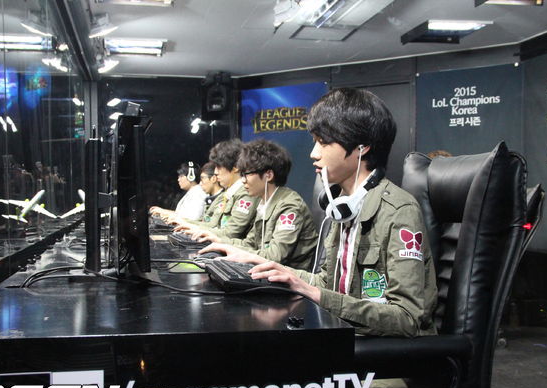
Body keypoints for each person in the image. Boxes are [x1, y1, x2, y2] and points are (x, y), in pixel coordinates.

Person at [203, 88, 437, 338]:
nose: (314, 153)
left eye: (324, 142)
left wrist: (314, 294)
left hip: (384, 352)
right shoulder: (342, 207)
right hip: (342, 337)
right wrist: (266, 266)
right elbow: (327, 284)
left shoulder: (399, 211)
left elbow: (407, 319)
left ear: (362, 147)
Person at [198, 139, 318, 270]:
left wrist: (233, 251)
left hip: (288, 277)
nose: (243, 180)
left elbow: (274, 256)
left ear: (268, 175)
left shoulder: (289, 207)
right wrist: (221, 242)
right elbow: (250, 243)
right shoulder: (265, 202)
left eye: (246, 174)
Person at [174, 139, 258, 240]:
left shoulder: (246, 194)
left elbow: (230, 233)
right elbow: (211, 224)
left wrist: (193, 227)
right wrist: (185, 223)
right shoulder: (227, 194)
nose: (215, 172)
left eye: (219, 167)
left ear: (235, 167)